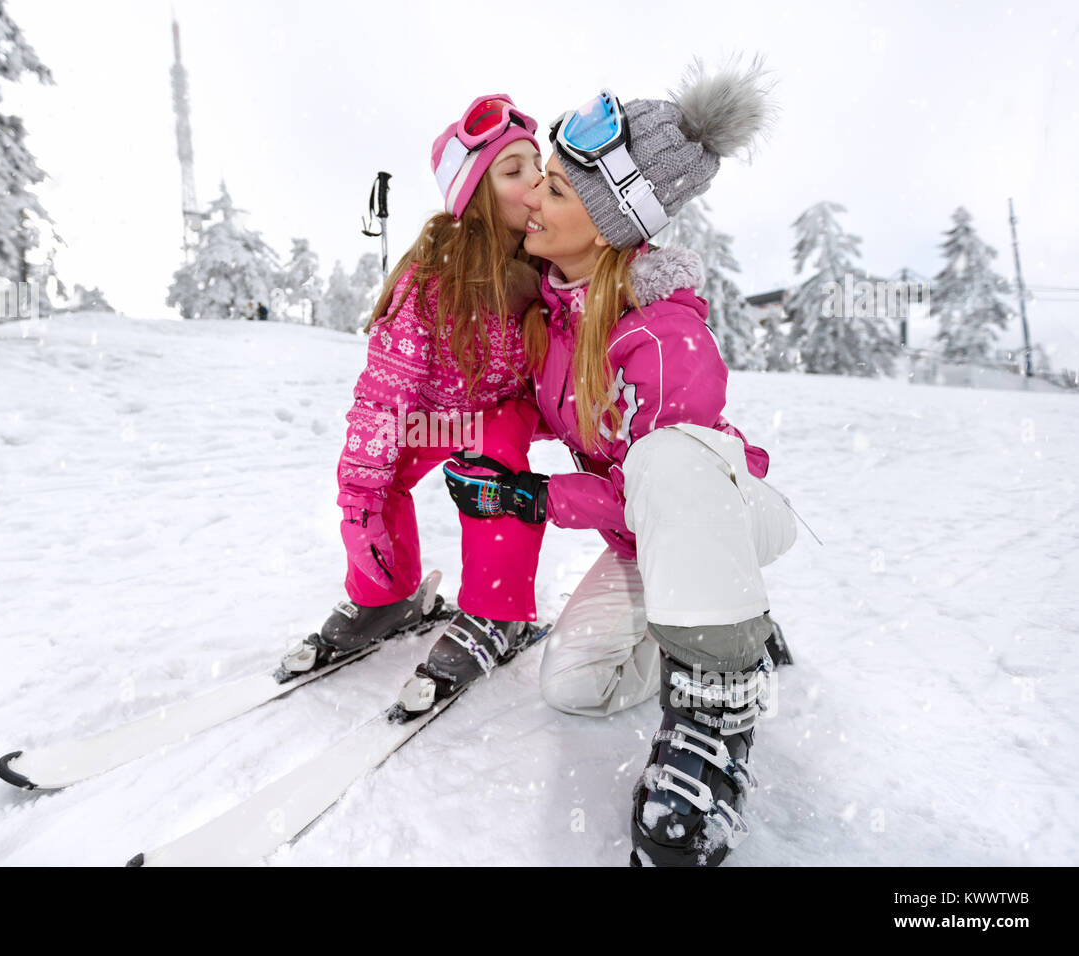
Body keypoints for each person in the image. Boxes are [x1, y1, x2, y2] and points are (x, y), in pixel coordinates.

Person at [441, 60, 799, 866]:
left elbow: (649, 488)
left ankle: (715, 710)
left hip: (726, 509)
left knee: (668, 461)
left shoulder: (667, 337)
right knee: (575, 686)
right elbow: (546, 408)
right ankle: (724, 623)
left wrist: (535, 498)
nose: (533, 195)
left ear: (607, 226)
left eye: (558, 192)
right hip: (649, 539)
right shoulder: (563, 315)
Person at [291, 95, 550, 700]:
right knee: (378, 479)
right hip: (432, 417)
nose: (536, 181)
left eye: (536, 165)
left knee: (492, 460)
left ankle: (497, 609)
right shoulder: (433, 277)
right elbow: (384, 396)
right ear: (475, 197)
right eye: (512, 171)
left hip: (504, 416)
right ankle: (387, 596)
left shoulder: (552, 265)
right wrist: (359, 500)